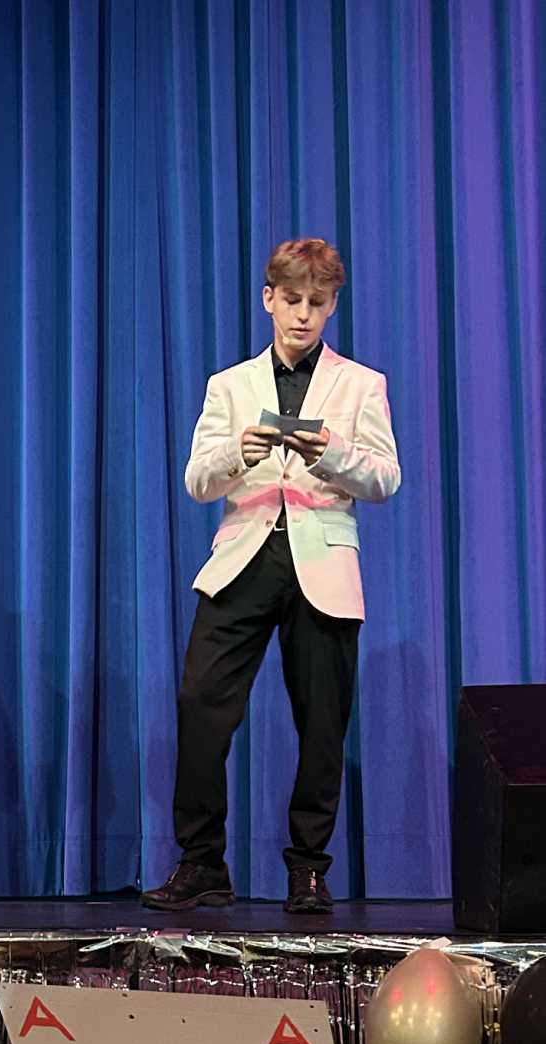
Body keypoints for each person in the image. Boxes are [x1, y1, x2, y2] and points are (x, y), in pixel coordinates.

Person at [143, 239, 401, 915]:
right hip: (244, 558)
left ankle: (308, 869)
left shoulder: (360, 383)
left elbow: (385, 478)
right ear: (269, 299)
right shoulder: (230, 385)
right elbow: (198, 481)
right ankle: (202, 863)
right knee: (202, 705)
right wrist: (239, 451)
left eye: (317, 302)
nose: (303, 314)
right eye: (292, 300)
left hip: (322, 562)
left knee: (322, 722)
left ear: (332, 305)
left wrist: (333, 453)